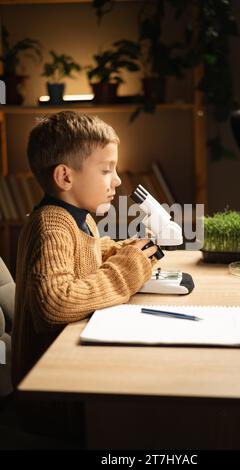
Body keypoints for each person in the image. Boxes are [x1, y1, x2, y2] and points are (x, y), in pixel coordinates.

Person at [12, 110, 157, 390]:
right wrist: (125, 271)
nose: (116, 180)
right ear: (65, 176)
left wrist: (124, 251)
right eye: (105, 170)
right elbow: (55, 303)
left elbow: (83, 258)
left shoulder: (81, 218)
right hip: (52, 390)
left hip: (70, 368)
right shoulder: (51, 224)